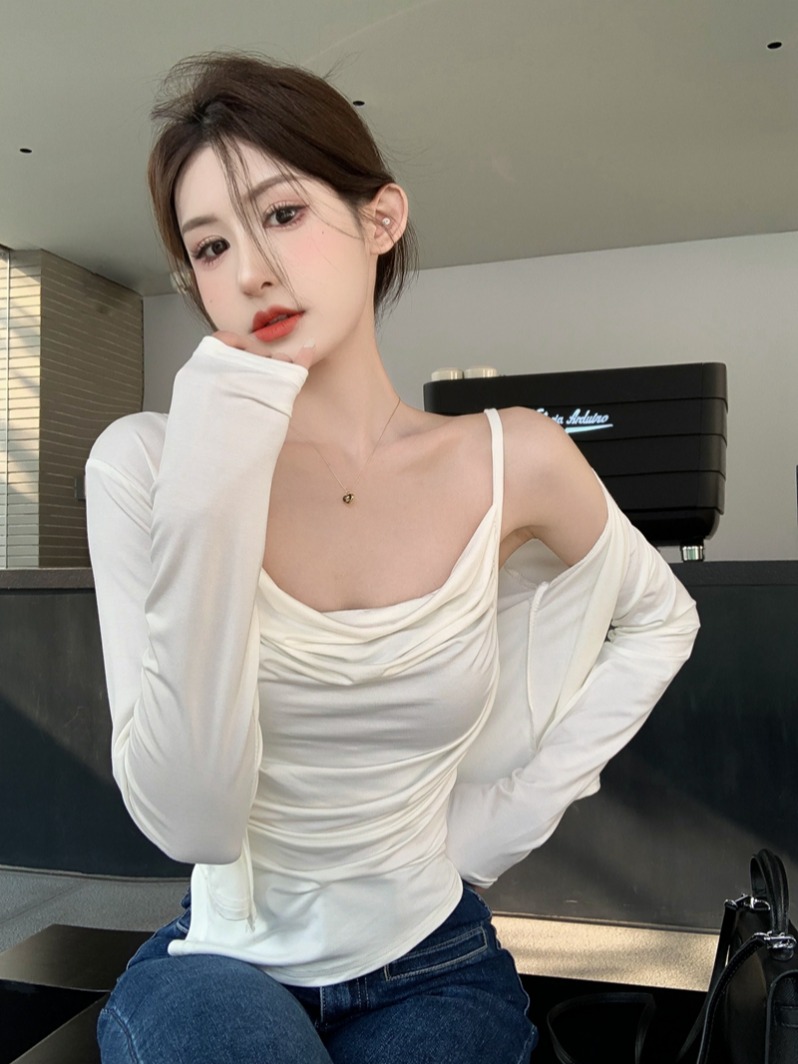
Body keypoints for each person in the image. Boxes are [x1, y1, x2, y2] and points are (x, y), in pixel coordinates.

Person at [85, 52, 700, 1064]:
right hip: (220, 960)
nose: (250, 271)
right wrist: (216, 449)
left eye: (283, 213)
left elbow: (660, 618)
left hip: (434, 957)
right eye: (210, 246)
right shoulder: (148, 464)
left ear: (381, 218)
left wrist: (501, 823)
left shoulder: (513, 457)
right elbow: (193, 818)